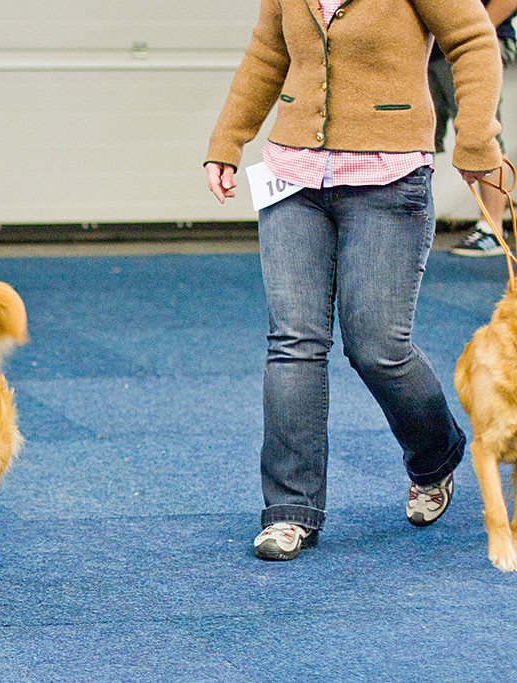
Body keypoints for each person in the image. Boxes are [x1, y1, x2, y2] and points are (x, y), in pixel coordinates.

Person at [204, 0, 502, 560]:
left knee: (378, 347)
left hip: (390, 178)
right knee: (294, 343)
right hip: (293, 178)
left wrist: (476, 138)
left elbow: (473, 41)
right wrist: (227, 140)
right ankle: (290, 511)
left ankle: (435, 459)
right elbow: (268, 53)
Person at [432, 0, 517, 256]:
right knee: (415, 137)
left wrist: (474, 35)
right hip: (427, 49)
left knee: (481, 135)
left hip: (472, 43)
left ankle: (492, 229)